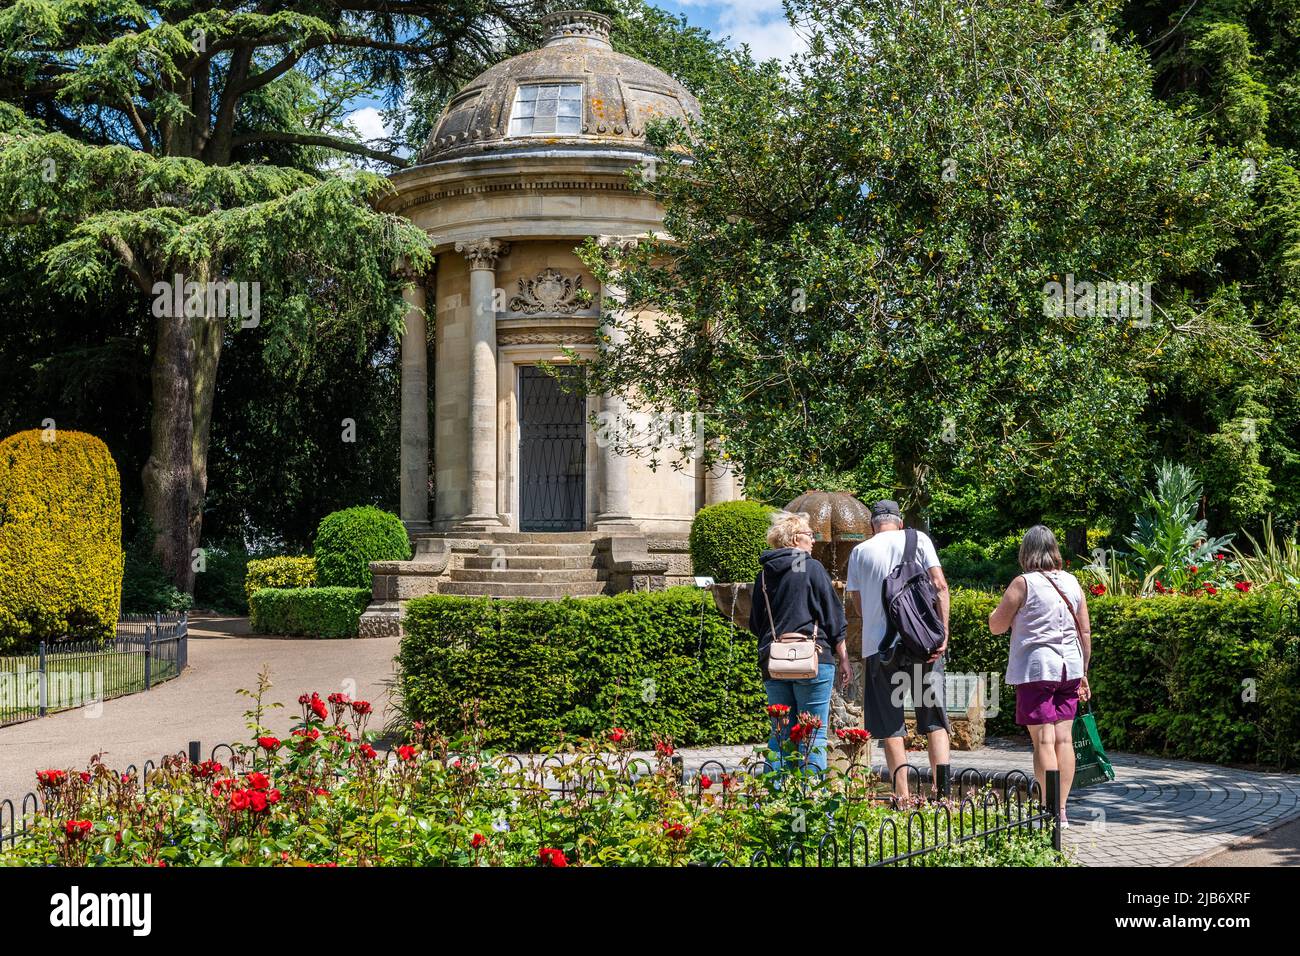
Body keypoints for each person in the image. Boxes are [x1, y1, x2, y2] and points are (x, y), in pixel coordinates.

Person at [844, 500, 951, 800]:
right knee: (933, 719)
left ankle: (902, 797)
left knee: (891, 724)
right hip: (922, 644)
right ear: (900, 522)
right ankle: (942, 795)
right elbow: (940, 586)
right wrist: (943, 633)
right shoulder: (918, 540)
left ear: (872, 526)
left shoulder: (859, 552)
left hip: (878, 648)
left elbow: (858, 605)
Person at [987, 525, 1092, 827]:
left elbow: (997, 625)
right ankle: (1062, 810)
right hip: (1070, 669)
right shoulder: (1073, 583)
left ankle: (1048, 811)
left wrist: (994, 615)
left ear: (1025, 552)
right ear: (1054, 550)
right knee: (1064, 741)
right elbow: (1084, 631)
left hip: (1037, 669)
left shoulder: (1023, 583)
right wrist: (1083, 672)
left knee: (1044, 743)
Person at [748, 511, 850, 774]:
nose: (814, 541)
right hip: (812, 659)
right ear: (795, 539)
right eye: (809, 535)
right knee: (812, 736)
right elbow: (833, 616)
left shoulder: (764, 574)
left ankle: (775, 805)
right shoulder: (811, 567)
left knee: (780, 736)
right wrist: (845, 658)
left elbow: (755, 624)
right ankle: (813, 806)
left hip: (774, 661)